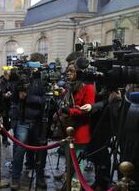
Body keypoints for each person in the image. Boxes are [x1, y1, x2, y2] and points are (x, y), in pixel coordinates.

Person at [58, 61, 95, 189]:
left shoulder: (88, 86)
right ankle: (68, 184)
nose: (68, 73)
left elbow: (87, 110)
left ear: (79, 72)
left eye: (71, 71)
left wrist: (70, 111)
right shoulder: (70, 86)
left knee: (78, 163)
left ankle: (74, 187)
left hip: (81, 129)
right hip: (68, 128)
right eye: (68, 70)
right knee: (69, 161)